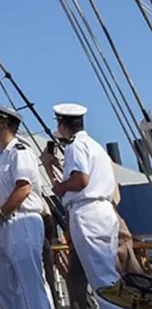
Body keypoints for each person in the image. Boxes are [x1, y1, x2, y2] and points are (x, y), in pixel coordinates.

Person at [0, 106, 53, 309]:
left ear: (4, 125)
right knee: (5, 285)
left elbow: (23, 188)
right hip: (1, 225)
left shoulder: (21, 153)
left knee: (30, 281)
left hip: (22, 221)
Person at [49, 104, 120, 295]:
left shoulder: (75, 146)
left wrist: (60, 187)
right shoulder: (94, 146)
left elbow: (81, 180)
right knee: (106, 270)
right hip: (104, 211)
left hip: (87, 213)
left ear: (62, 125)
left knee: (101, 276)